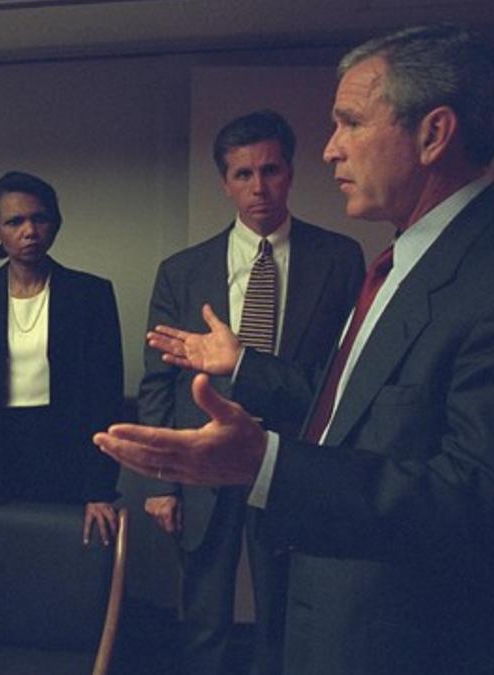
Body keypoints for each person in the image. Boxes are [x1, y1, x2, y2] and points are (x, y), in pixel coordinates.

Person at [96, 24, 494, 675]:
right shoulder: (401, 260)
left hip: (412, 645)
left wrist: (266, 465)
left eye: (348, 123)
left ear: (432, 134)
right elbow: (356, 404)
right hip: (335, 624)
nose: (329, 150)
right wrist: (244, 367)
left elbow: (482, 502)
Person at [138, 110, 362, 674]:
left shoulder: (339, 259)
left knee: (283, 616)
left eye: (270, 170)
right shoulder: (182, 271)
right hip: (203, 463)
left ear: (290, 172)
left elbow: (344, 377)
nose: (258, 187)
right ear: (225, 182)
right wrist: (161, 482)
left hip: (289, 463)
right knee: (203, 615)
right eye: (243, 174)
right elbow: (158, 382)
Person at [0, 171, 123, 546]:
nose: (30, 231)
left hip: (67, 451)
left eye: (39, 218)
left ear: (53, 224)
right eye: (15, 221)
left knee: (61, 559)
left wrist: (99, 488)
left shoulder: (90, 294)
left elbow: (106, 395)